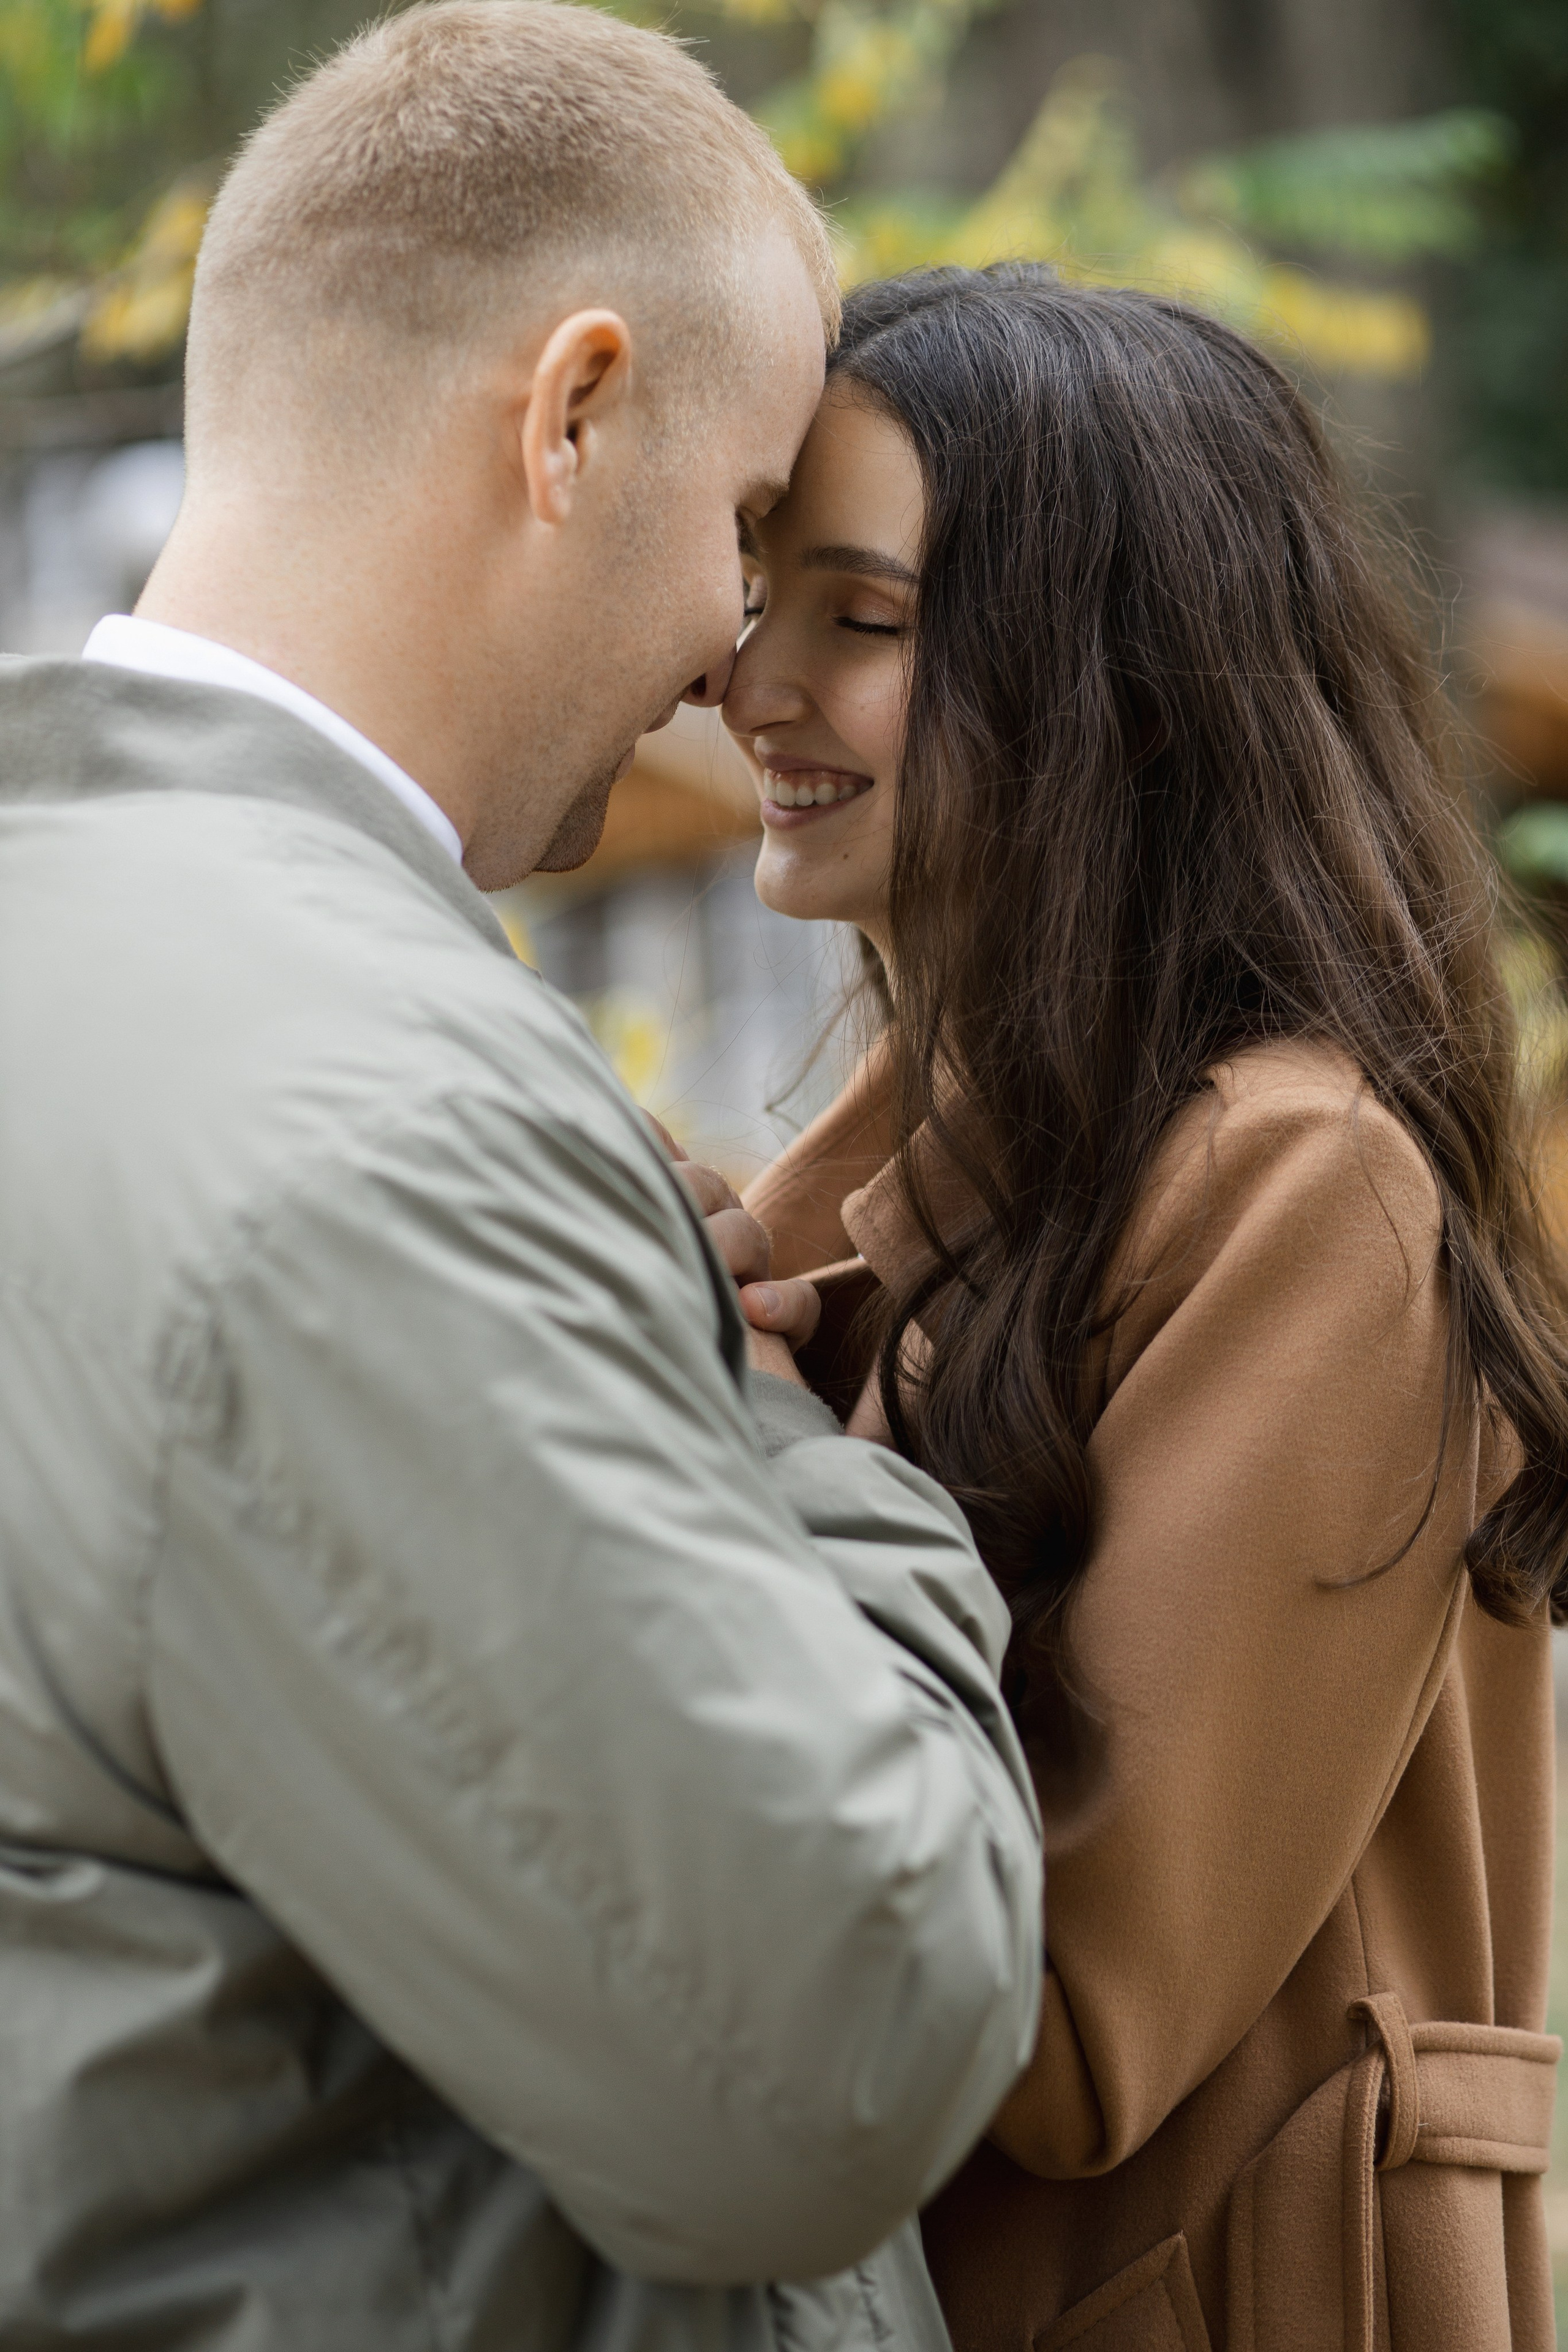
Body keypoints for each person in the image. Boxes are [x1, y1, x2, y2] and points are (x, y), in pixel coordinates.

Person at [0, 24, 1047, 2351]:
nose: (725, 660)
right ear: (571, 414)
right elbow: (834, 2039)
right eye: (749, 526)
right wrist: (788, 1444)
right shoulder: (356, 1115)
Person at [732, 265, 1568, 2351]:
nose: (748, 686)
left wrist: (715, 1420)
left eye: (867, 618)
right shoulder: (889, 1163)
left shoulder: (1307, 1188)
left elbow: (1067, 2014)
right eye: (759, 598)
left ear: (1133, 681)